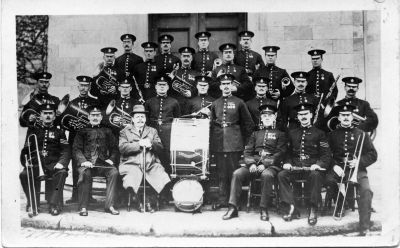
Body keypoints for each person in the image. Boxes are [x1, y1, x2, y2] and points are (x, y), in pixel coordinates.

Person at [223, 103, 287, 221]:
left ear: (274, 117)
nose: (267, 118)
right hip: (254, 164)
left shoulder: (280, 134)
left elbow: (280, 153)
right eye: (264, 116)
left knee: (266, 175)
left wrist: (265, 164)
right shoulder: (255, 134)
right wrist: (251, 163)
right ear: (261, 119)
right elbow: (247, 151)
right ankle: (232, 207)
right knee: (237, 173)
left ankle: (264, 208)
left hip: (272, 166)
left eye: (270, 115)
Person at [325, 104, 377, 236]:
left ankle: (364, 226)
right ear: (339, 117)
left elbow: (373, 154)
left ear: (352, 116)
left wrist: (358, 162)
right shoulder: (331, 135)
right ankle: (339, 203)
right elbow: (325, 154)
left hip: (357, 169)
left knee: (366, 190)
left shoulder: (362, 134)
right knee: (329, 180)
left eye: (348, 115)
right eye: (343, 115)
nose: (346, 118)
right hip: (338, 167)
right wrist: (334, 166)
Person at [277, 103, 331, 226]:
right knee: (282, 175)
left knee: (316, 175)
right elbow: (287, 153)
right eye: (301, 115)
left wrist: (318, 164)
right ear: (297, 117)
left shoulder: (320, 133)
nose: (303, 117)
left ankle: (313, 208)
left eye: (306, 114)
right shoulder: (292, 132)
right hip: (296, 167)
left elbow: (326, 155)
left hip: (312, 168)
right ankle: (291, 207)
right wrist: (287, 163)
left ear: (311, 115)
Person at [210, 73, 254, 210]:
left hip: (234, 142)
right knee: (221, 173)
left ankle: (235, 201)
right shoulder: (215, 103)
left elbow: (248, 124)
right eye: (223, 84)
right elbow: (211, 124)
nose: (226, 86)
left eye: (228, 84)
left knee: (233, 173)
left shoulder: (239, 102)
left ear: (232, 85)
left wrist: (246, 144)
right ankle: (222, 200)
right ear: (220, 86)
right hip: (218, 142)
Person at [20, 103, 71, 216]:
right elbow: (25, 150)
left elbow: (66, 150)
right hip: (37, 165)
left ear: (54, 116)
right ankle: (32, 201)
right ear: (41, 115)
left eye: (50, 113)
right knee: (23, 174)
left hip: (53, 164)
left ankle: (54, 204)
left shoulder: (60, 132)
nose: (48, 116)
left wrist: (61, 163)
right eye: (45, 113)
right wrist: (26, 162)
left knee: (62, 173)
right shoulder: (33, 131)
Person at [119, 105, 171, 212]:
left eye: (142, 117)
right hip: (131, 164)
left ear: (146, 119)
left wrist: (151, 144)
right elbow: (122, 148)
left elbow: (160, 148)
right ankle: (138, 201)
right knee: (134, 176)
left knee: (160, 174)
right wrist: (139, 144)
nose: (140, 119)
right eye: (137, 117)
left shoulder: (152, 131)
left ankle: (150, 201)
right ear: (132, 119)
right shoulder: (125, 131)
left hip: (150, 163)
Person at [73, 106, 120, 216]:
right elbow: (76, 149)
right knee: (85, 174)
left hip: (103, 163)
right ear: (89, 117)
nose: (95, 117)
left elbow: (115, 148)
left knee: (113, 172)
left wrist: (111, 159)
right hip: (87, 164)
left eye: (97, 115)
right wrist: (83, 161)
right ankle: (83, 207)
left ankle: (110, 205)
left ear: (101, 117)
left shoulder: (107, 131)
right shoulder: (82, 131)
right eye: (93, 115)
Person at [65, 76, 99, 204]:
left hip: (89, 138)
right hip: (75, 137)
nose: (84, 88)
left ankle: (88, 196)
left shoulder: (95, 102)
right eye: (81, 85)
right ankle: (75, 196)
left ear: (89, 87)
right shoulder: (72, 103)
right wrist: (72, 125)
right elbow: (65, 120)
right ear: (78, 87)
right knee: (75, 165)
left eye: (86, 85)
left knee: (89, 164)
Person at [144, 76, 181, 173]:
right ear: (155, 87)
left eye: (164, 85)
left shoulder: (174, 102)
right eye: (159, 85)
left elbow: (177, 120)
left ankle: (169, 180)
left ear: (168, 87)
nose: (162, 87)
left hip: (169, 134)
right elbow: (146, 120)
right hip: (152, 132)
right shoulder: (149, 102)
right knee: (151, 155)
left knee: (167, 156)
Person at [169, 46, 199, 114]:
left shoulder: (196, 74)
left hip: (190, 106)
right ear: (181, 58)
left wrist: (191, 93)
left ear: (191, 58)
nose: (186, 58)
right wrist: (170, 78)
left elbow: (198, 88)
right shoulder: (175, 72)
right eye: (184, 56)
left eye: (188, 56)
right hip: (176, 105)